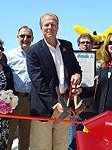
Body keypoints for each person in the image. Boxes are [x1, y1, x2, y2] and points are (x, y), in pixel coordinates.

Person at [26, 13, 82, 150]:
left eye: (53, 24)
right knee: (41, 147)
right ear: (41, 28)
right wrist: (54, 104)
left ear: (58, 27)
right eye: (46, 25)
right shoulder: (33, 51)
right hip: (44, 107)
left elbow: (76, 67)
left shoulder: (67, 46)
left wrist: (77, 75)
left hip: (65, 103)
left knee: (61, 146)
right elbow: (37, 82)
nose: (50, 27)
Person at [5, 26, 34, 150]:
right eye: (22, 36)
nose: (25, 39)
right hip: (12, 100)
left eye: (28, 36)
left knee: (26, 137)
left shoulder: (36, 55)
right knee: (8, 135)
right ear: (17, 38)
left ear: (32, 39)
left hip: (30, 101)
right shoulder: (8, 56)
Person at [68, 33, 97, 150]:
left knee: (92, 141)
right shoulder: (71, 64)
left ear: (93, 45)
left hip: (93, 107)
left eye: (88, 42)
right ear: (78, 45)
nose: (85, 45)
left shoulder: (99, 63)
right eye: (83, 42)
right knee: (73, 141)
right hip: (77, 107)